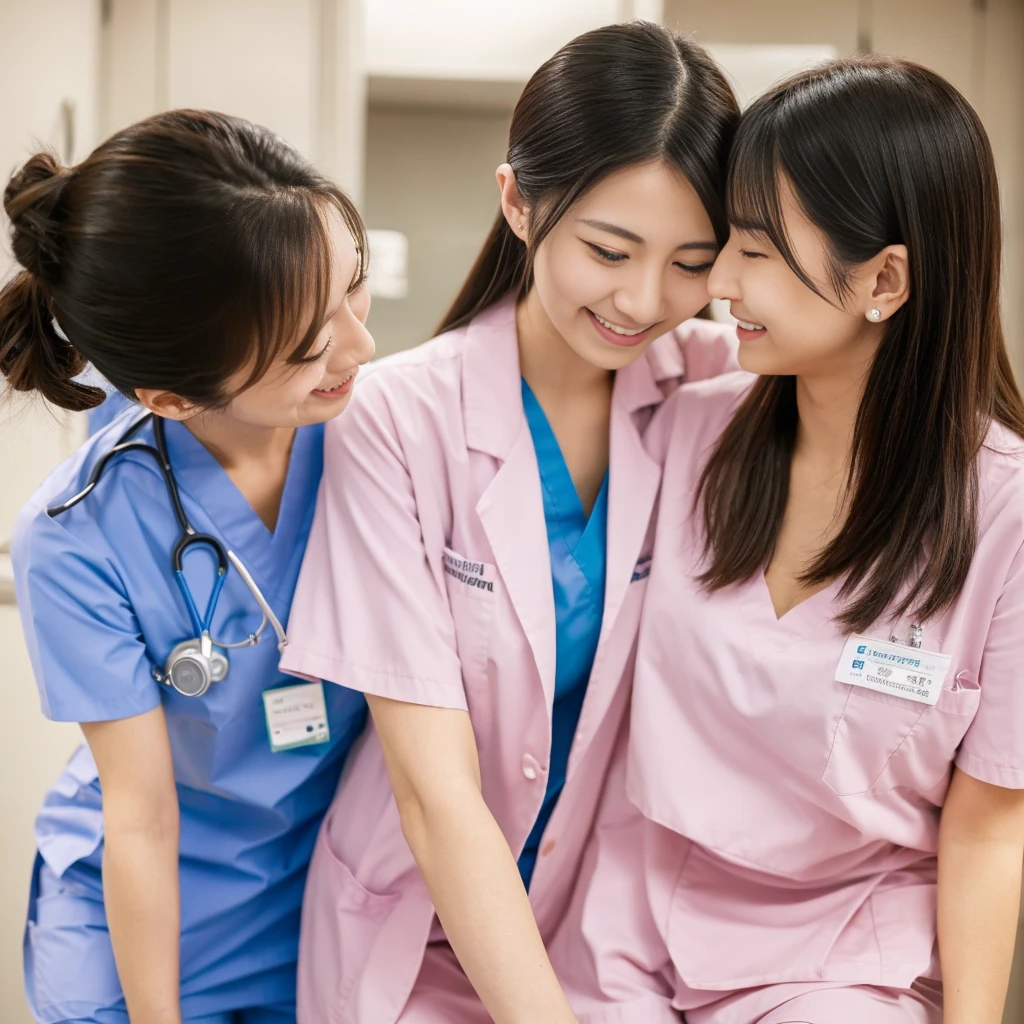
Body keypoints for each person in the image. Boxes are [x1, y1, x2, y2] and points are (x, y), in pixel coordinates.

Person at [279, 20, 740, 1024]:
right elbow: (435, 797)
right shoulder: (396, 418)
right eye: (608, 250)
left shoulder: (713, 391)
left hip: (609, 931)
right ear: (518, 203)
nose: (644, 299)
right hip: (419, 924)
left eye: (690, 262)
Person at [549, 54, 1024, 1024]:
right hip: (626, 933)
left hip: (839, 961)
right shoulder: (688, 427)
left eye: (754, 251)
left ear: (884, 278)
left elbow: (987, 827)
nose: (718, 280)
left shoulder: (1005, 516)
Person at [2, 109, 374, 1024]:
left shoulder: (382, 444)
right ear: (171, 398)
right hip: (143, 919)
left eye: (353, 292)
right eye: (310, 348)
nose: (361, 349)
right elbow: (139, 816)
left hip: (322, 897)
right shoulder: (77, 535)